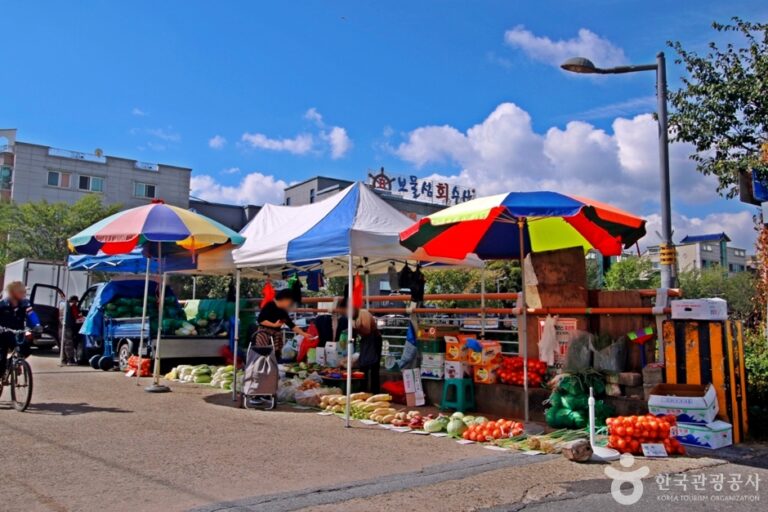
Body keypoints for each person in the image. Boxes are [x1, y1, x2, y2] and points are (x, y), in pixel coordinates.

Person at [336, 298, 382, 393]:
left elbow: (367, 330)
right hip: (364, 340)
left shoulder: (363, 313)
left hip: (374, 340)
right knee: (363, 366)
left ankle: (375, 391)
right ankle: (362, 390)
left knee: (373, 367)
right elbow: (355, 334)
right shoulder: (351, 317)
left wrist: (354, 329)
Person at [0, 282, 42, 378]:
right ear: (13, 292)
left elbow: (31, 314)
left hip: (17, 333)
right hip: (3, 334)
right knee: (1, 360)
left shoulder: (25, 303)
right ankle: (3, 368)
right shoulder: (2, 304)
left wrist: (37, 324)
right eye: (21, 292)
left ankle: (14, 362)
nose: (24, 294)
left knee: (25, 349)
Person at [255, 288, 308, 356]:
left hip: (276, 335)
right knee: (263, 355)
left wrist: (304, 334)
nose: (290, 304)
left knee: (276, 355)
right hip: (264, 334)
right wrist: (274, 325)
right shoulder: (270, 305)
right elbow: (261, 320)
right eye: (290, 302)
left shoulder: (283, 311)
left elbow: (291, 325)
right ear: (285, 299)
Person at [61, 295, 83, 366]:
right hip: (69, 326)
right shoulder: (72, 306)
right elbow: (77, 316)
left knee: (64, 343)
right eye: (76, 302)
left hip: (63, 326)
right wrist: (83, 319)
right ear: (74, 301)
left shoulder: (64, 305)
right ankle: (70, 360)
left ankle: (64, 360)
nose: (76, 303)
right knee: (69, 343)